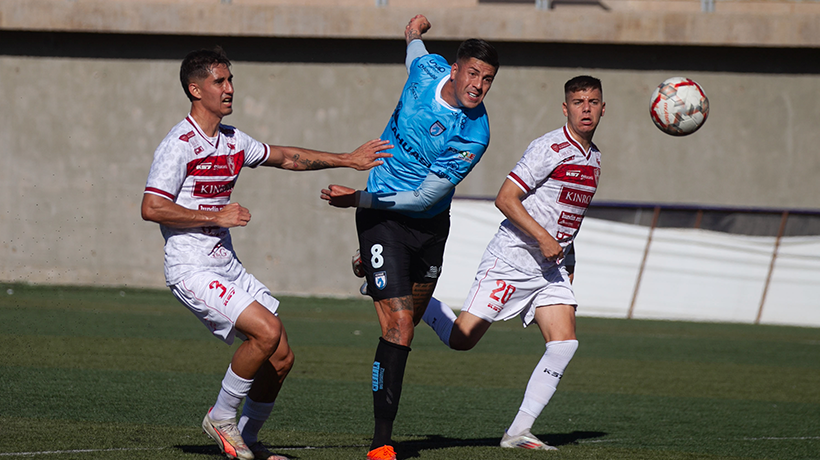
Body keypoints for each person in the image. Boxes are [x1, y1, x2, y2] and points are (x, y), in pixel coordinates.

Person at [141, 47, 391, 460]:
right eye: (219, 81)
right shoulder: (179, 144)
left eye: (230, 79)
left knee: (281, 356)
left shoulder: (232, 139)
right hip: (191, 268)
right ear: (195, 88)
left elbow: (285, 157)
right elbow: (152, 207)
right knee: (267, 332)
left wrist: (346, 160)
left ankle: (250, 439)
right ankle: (221, 418)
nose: (229, 88)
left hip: (226, 266)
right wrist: (217, 215)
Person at [320, 14, 499, 460]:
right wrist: (414, 30)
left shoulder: (474, 134)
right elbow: (414, 50)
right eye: (473, 73)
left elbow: (422, 200)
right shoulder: (427, 71)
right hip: (381, 214)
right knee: (399, 329)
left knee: (409, 320)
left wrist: (357, 199)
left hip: (428, 224)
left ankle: (375, 270)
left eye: (488, 79)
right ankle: (382, 442)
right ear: (454, 69)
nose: (478, 85)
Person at [421, 75, 605, 451]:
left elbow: (568, 217)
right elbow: (506, 199)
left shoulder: (595, 157)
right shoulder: (549, 147)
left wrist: (567, 258)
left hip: (550, 267)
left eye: (592, 102)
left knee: (564, 343)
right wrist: (543, 238)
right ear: (565, 107)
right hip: (513, 258)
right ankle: (415, 298)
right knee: (462, 340)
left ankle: (517, 432)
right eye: (578, 101)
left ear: (603, 108)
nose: (585, 108)